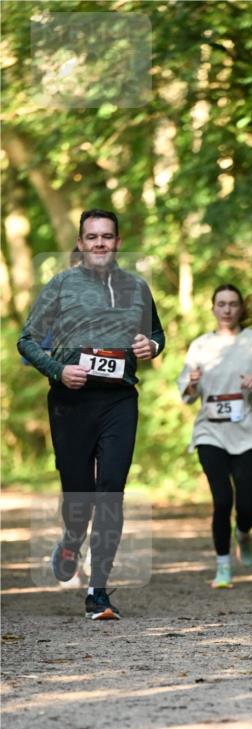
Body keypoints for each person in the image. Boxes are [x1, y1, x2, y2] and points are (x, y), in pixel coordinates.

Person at [18, 208, 165, 620]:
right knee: (79, 493)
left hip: (119, 400)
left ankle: (97, 590)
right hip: (71, 403)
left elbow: (156, 333)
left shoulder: (136, 286)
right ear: (81, 243)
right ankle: (71, 539)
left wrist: (151, 347)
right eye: (92, 237)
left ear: (118, 242)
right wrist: (58, 371)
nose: (100, 243)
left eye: (107, 236)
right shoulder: (61, 285)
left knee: (111, 490)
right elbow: (27, 340)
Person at [177, 284, 252, 589]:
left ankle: (244, 533)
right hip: (210, 432)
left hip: (249, 432)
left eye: (233, 304)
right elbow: (186, 391)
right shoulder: (200, 345)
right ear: (213, 308)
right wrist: (192, 383)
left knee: (247, 508)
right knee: (222, 499)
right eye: (221, 303)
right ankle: (223, 566)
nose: (226, 309)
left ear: (241, 308)